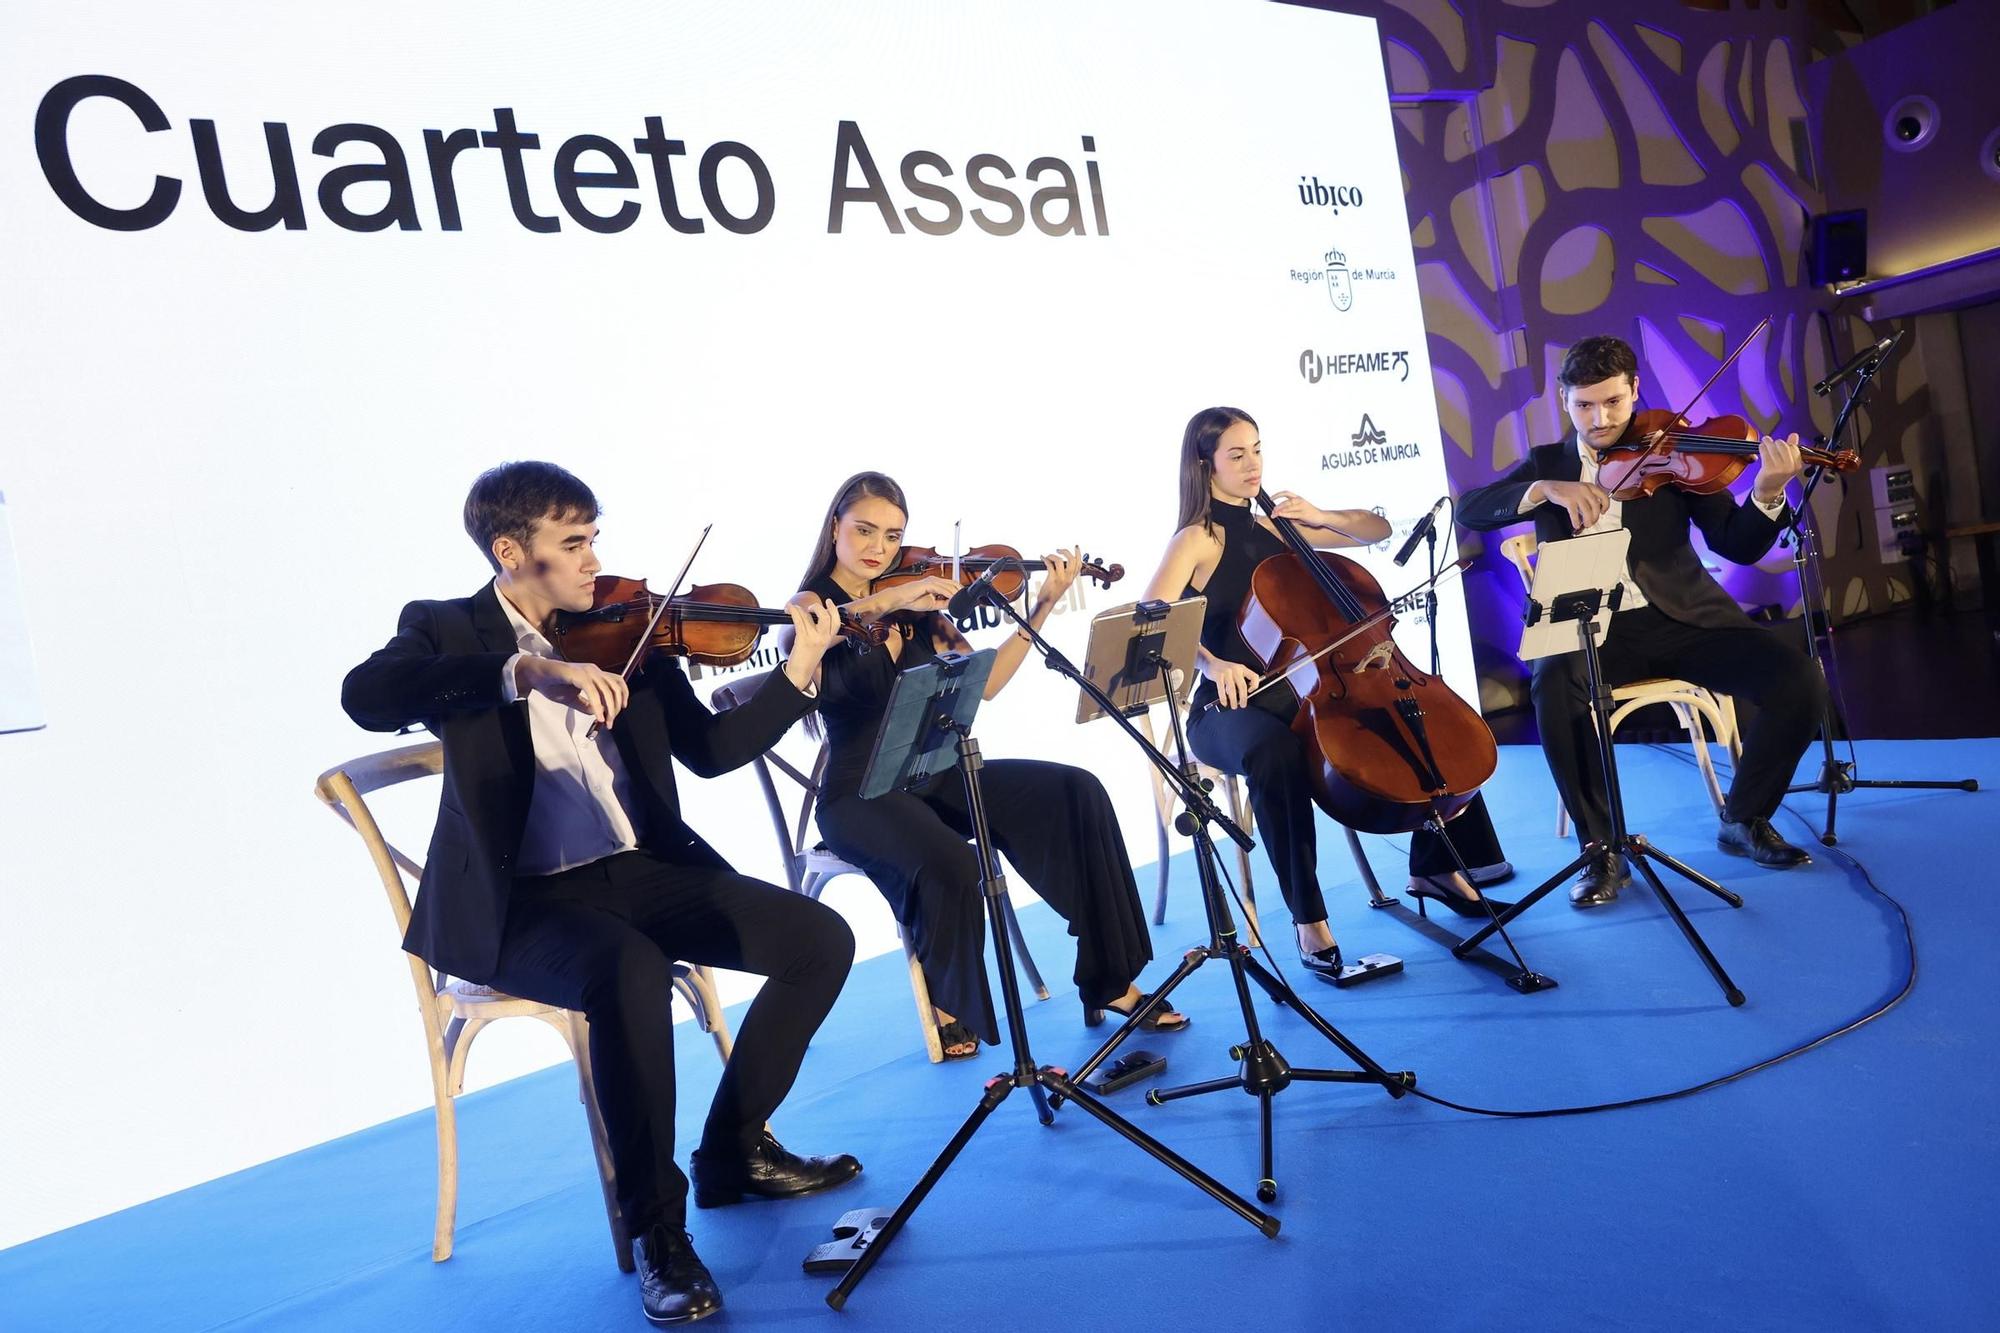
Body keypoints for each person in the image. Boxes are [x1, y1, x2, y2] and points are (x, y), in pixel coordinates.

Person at [341, 461, 859, 1326]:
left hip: (636, 871)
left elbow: (713, 748)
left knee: (820, 939)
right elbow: (366, 695)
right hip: (520, 904)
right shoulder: (443, 628)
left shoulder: (627, 629)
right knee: (627, 969)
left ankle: (734, 1150)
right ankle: (660, 1232)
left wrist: (800, 663)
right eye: (572, 543)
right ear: (510, 552)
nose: (592, 561)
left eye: (594, 538)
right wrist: (525, 673)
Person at [790, 470, 1183, 1061]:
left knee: (1076, 791)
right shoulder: (810, 605)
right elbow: (837, 624)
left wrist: (1046, 603)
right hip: (860, 794)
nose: (878, 549)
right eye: (864, 531)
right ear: (835, 527)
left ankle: (1110, 977)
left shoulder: (919, 609)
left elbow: (989, 682)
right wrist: (899, 595)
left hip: (935, 772)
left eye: (893, 537)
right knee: (949, 856)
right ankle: (953, 1002)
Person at [1141, 406, 1510, 984]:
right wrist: (1213, 663)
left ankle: (1437, 868)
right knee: (1275, 755)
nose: (1253, 464)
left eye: (1257, 449)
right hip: (1231, 706)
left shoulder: (1284, 523)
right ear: (1204, 464)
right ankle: (1308, 920)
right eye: (1236, 455)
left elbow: (1377, 529)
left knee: (1414, 712)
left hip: (1308, 691)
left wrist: (1320, 515)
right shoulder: (1197, 539)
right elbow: (1154, 623)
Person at [1458, 334, 1826, 906]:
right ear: (1563, 401)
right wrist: (1543, 489)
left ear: (1634, 390)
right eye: (1584, 405)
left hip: (1681, 619)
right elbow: (1473, 507)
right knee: (1553, 684)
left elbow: (1738, 544)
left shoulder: (1673, 452)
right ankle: (1600, 850)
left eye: (1612, 402)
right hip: (1592, 628)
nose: (1600, 419)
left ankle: (1745, 818)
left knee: (1798, 679)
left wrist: (1768, 492)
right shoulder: (1549, 464)